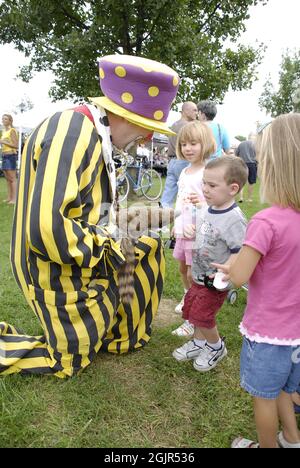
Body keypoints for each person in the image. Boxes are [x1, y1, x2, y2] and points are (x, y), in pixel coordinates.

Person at [0, 54, 180, 378]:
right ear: (126, 114)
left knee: (148, 247)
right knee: (69, 361)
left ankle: (120, 336)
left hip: (76, 253)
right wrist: (112, 241)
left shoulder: (95, 134)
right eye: (148, 128)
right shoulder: (72, 130)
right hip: (50, 267)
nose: (148, 138)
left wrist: (130, 226)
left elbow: (93, 210)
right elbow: (48, 230)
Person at [213, 114, 300, 448]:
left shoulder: (265, 221)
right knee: (286, 389)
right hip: (296, 334)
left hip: (268, 333)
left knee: (263, 396)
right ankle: (291, 438)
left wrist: (231, 264)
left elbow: (238, 277)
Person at [172, 156, 248, 372]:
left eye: (212, 185)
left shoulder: (234, 219)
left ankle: (215, 347)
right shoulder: (209, 209)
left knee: (203, 316)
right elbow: (206, 233)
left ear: (233, 188)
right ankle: (199, 342)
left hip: (213, 281)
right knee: (192, 310)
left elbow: (240, 250)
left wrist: (223, 276)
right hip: (197, 275)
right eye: (204, 182)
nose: (205, 188)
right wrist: (192, 231)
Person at [170, 121, 216, 334]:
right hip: (183, 230)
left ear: (205, 144)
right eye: (184, 144)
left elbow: (216, 206)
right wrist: (175, 223)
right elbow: (180, 200)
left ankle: (192, 317)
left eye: (193, 143)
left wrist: (203, 205)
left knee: (193, 273)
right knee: (182, 269)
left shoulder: (209, 173)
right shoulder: (185, 172)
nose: (188, 148)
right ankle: (187, 296)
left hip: (198, 233)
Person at [160, 101, 198, 207]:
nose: (197, 113)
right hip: (184, 161)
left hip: (172, 162)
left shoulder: (174, 125)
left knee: (168, 195)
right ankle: (186, 220)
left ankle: (163, 221)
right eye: (194, 110)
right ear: (185, 111)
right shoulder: (189, 127)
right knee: (188, 194)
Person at [0, 114, 18, 204]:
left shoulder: (12, 131)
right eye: (2, 118)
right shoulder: (3, 131)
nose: (3, 120)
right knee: (7, 178)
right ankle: (9, 197)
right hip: (4, 156)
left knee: (12, 178)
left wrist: (3, 142)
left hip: (10, 156)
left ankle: (14, 199)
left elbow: (16, 145)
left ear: (10, 121)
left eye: (5, 119)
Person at [235, 133, 257, 203]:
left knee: (241, 181)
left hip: (242, 163)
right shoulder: (255, 144)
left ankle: (241, 197)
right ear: (253, 137)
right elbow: (258, 154)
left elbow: (236, 154)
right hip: (252, 164)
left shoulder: (241, 144)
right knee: (251, 182)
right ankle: (249, 198)